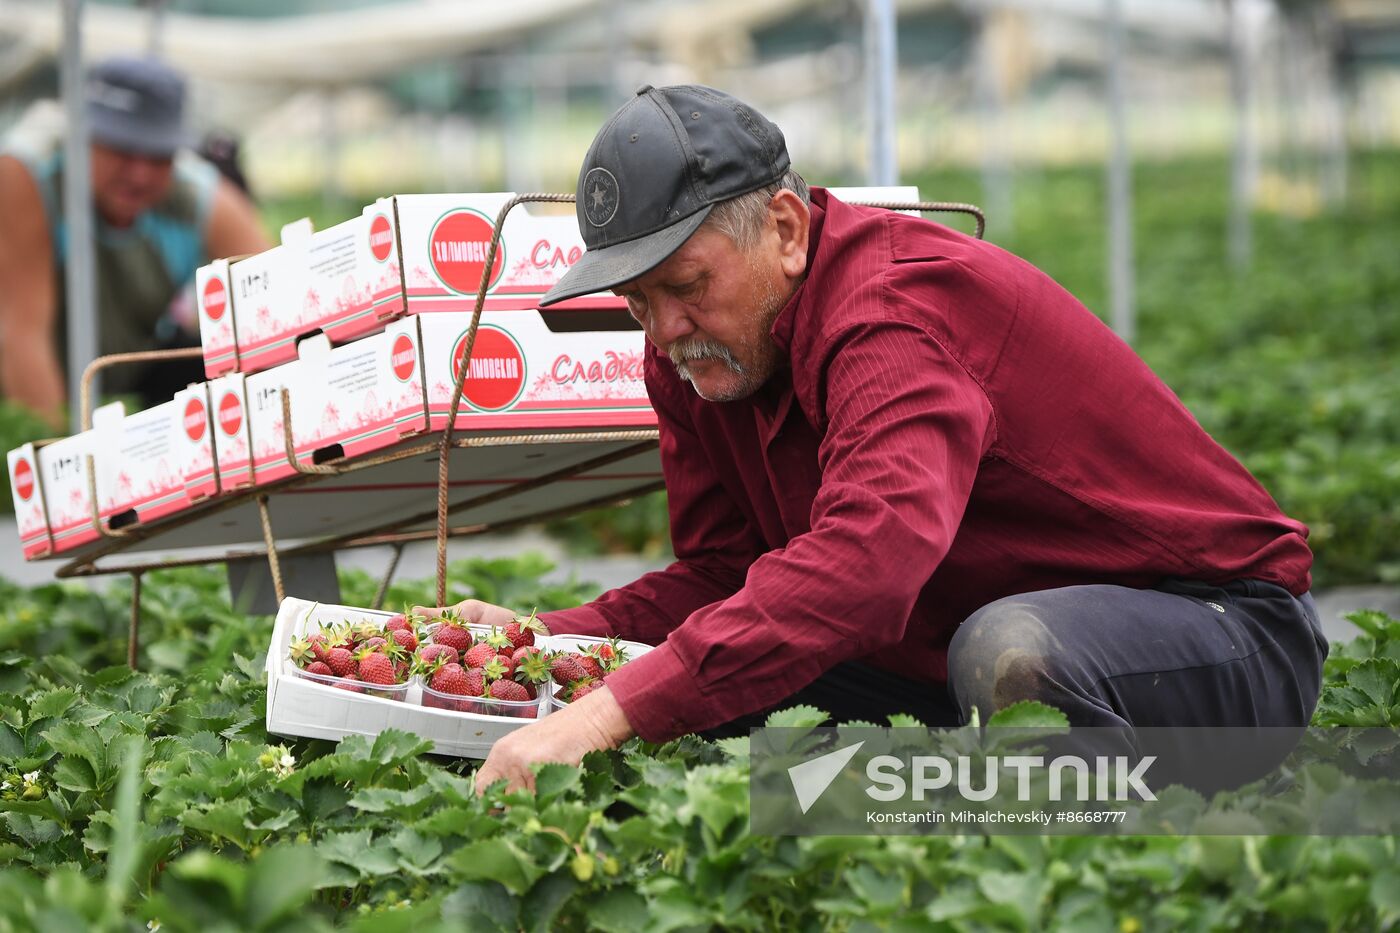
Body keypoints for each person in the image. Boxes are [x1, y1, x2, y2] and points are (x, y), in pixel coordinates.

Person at [421, 84, 1327, 794]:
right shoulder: (699, 361)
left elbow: (868, 565)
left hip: (1219, 639)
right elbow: (722, 579)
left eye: (685, 283)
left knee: (1007, 651)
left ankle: (1085, 866)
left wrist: (603, 714)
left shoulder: (893, 315)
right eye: (636, 301)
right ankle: (933, 815)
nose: (663, 327)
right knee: (724, 688)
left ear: (784, 229)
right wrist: (549, 642)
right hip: (950, 649)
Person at [0, 56, 269, 427]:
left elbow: (276, 302)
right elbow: (20, 336)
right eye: (122, 148)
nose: (139, 174)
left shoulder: (201, 199)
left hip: (124, 382)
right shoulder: (29, 176)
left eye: (159, 154)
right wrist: (68, 461)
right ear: (83, 136)